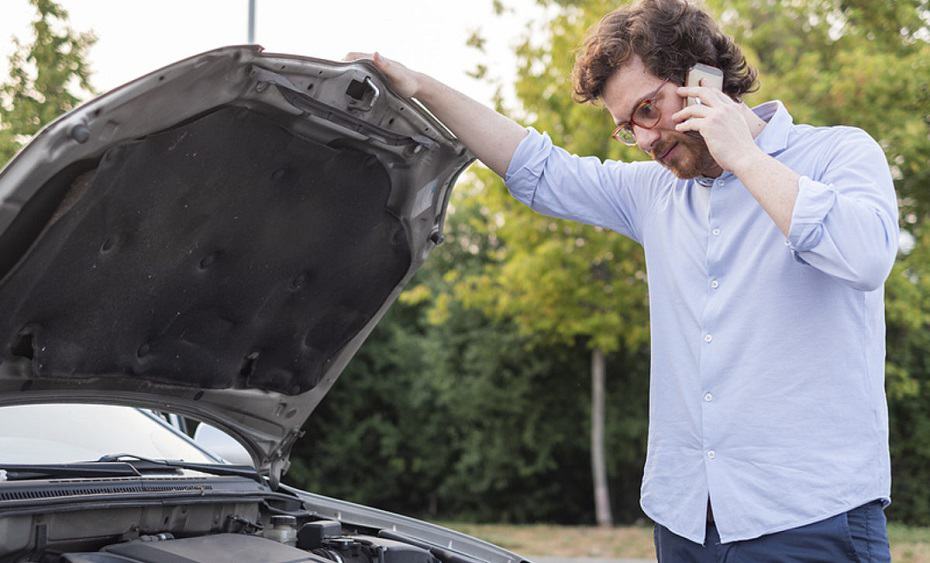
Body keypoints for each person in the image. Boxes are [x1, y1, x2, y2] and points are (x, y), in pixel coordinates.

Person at [346, 0, 898, 559]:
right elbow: (538, 168)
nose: (648, 139)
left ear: (702, 78)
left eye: (648, 109)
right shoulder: (654, 194)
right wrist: (422, 87)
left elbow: (865, 257)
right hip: (684, 520)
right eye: (628, 128)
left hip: (813, 520)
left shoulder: (839, 153)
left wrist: (744, 157)